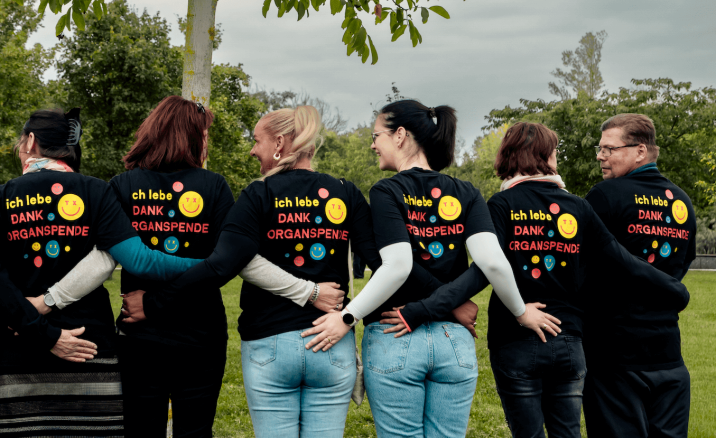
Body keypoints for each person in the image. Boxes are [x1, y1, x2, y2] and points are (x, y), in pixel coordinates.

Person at [0, 108, 205, 437]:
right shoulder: (96, 191)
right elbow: (141, 261)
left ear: (31, 141)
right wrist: (208, 266)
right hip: (90, 347)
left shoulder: (1, 197)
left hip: (24, 349)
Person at [374, 121, 690, 438]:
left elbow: (483, 271)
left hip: (516, 342)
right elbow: (624, 261)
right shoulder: (578, 207)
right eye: (555, 151)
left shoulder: (501, 205)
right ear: (546, 156)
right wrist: (675, 289)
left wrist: (421, 310)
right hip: (568, 340)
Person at [300, 101, 556, 438]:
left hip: (395, 335)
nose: (373, 144)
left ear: (400, 135)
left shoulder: (386, 190)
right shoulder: (467, 192)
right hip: (454, 342)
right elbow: (492, 262)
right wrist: (520, 312)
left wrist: (348, 317)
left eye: (376, 136)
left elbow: (398, 266)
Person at [122, 105, 378, 438]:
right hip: (331, 340)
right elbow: (386, 267)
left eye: (257, 141)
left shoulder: (258, 194)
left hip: (270, 342)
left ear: (279, 143)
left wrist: (153, 302)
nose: (252, 150)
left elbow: (227, 262)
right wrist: (348, 315)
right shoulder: (346, 192)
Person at [582, 114, 697, 438]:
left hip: (614, 357)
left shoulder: (604, 196)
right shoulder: (682, 202)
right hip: (668, 355)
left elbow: (582, 266)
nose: (600, 156)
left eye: (609, 149)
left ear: (640, 151)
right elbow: (681, 265)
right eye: (600, 149)